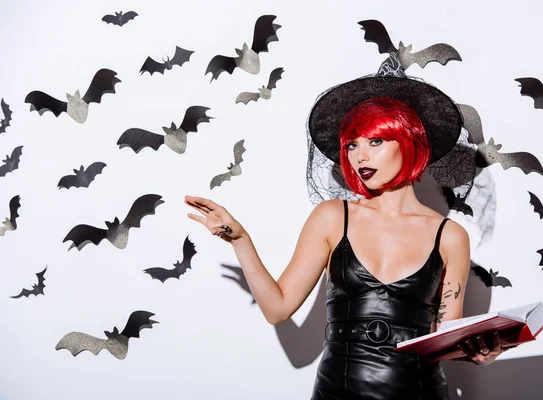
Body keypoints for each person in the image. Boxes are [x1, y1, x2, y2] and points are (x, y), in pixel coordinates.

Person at [184, 73, 513, 399]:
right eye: (352, 145)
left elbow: (444, 336)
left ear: (409, 142)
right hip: (339, 392)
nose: (360, 157)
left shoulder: (450, 236)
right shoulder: (332, 218)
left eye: (376, 141)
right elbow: (277, 309)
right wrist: (240, 239)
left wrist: (480, 353)